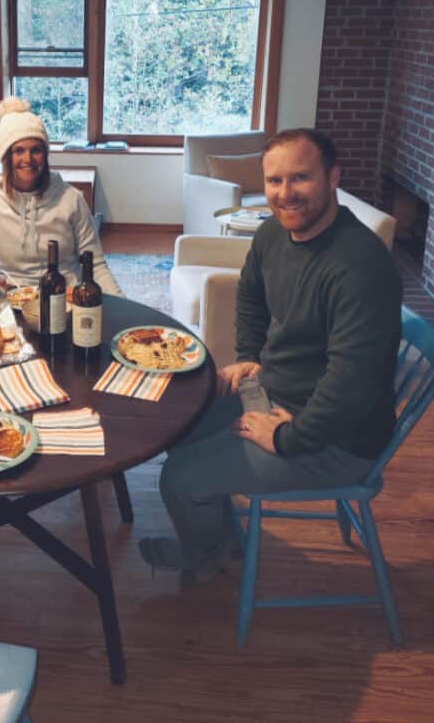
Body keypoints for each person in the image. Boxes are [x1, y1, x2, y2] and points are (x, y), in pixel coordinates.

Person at [139, 127, 402, 578]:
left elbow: (351, 387)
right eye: (274, 181)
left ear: (333, 176)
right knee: (175, 427)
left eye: (300, 178)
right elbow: (250, 295)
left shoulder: (359, 266)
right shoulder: (274, 235)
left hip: (336, 439)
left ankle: (207, 556)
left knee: (180, 478)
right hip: (277, 392)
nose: (285, 194)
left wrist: (286, 439)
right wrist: (247, 354)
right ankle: (220, 539)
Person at [0, 97, 121, 299]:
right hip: (11, 301)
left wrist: (122, 306)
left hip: (64, 299)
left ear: (45, 154)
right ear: (5, 157)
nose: (27, 159)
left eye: (36, 150)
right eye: (18, 151)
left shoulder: (72, 199)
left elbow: (97, 265)